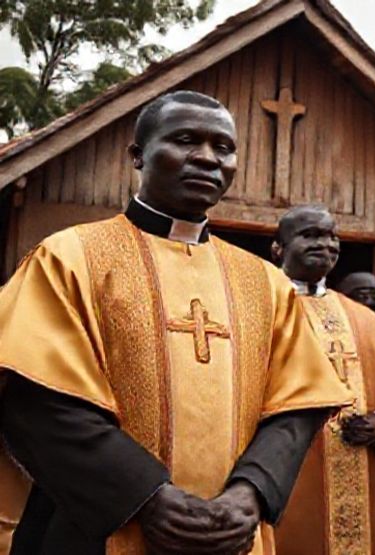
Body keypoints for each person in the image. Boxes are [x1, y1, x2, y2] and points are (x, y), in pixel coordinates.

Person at [0, 91, 350, 553]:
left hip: (234, 534)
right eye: (185, 140)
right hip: (100, 526)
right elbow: (35, 397)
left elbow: (298, 406)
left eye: (223, 148)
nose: (207, 158)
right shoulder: (69, 257)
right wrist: (145, 496)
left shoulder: (265, 282)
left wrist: (251, 494)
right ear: (138, 156)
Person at [271, 206, 375, 554]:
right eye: (311, 235)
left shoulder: (367, 321)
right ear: (278, 248)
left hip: (362, 476)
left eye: (332, 236)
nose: (326, 244)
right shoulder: (258, 305)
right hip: (286, 477)